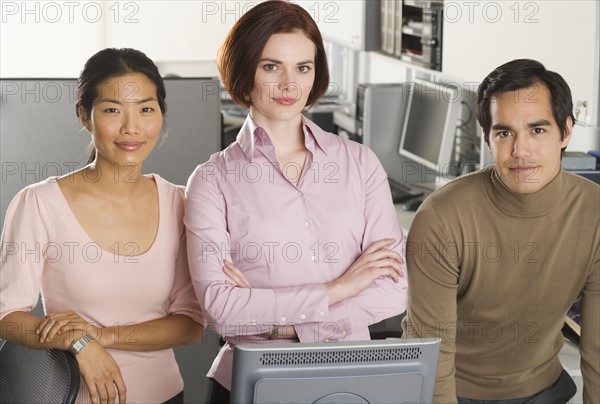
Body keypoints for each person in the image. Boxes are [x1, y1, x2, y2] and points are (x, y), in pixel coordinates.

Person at [184, 1, 408, 401]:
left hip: (350, 382)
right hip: (254, 383)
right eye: (272, 67)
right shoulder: (212, 180)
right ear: (244, 72)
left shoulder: (359, 164)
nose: (290, 85)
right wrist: (340, 288)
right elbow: (220, 308)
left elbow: (393, 290)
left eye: (303, 68)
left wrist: (278, 325)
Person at [0, 48, 205, 404]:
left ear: (160, 114)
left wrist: (101, 336)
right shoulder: (40, 203)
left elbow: (189, 325)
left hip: (167, 395)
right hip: (73, 397)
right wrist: (78, 343)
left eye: (146, 109)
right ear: (84, 115)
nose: (131, 127)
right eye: (112, 109)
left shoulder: (182, 203)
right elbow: (7, 315)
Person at [401, 58, 599, 403]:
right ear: (487, 138)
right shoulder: (442, 217)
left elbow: (597, 350)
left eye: (537, 130)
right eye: (504, 133)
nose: (520, 151)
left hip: (543, 387)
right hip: (453, 390)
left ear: (566, 132)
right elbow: (435, 354)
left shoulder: (594, 211)